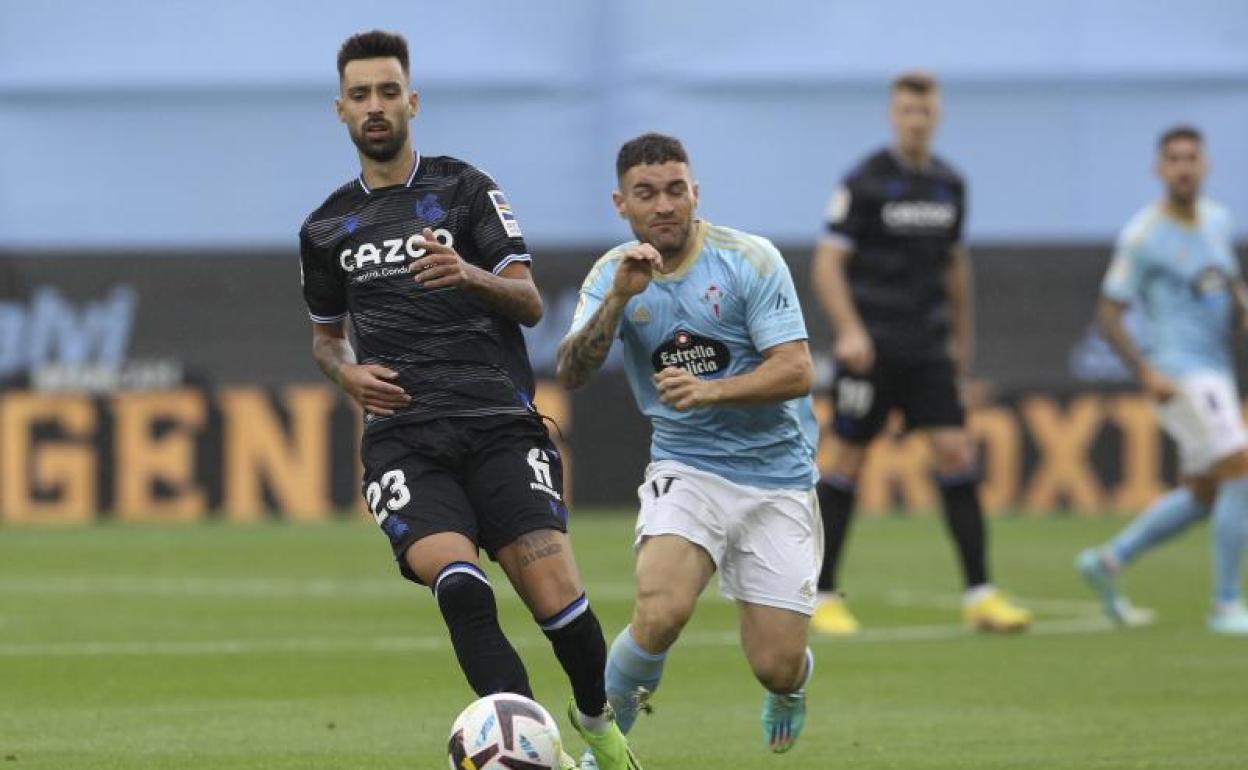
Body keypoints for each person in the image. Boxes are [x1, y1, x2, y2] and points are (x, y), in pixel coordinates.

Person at [297, 30, 641, 769]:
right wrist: (345, 374)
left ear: (412, 101)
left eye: (389, 91)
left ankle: (598, 724)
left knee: (558, 601)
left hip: (498, 425)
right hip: (403, 437)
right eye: (361, 94)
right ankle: (532, 753)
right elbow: (325, 340)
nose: (376, 105)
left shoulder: (465, 189)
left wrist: (468, 274)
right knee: (460, 588)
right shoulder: (324, 227)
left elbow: (528, 302)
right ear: (341, 110)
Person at [556, 133, 820, 764]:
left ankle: (791, 685)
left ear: (695, 193)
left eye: (676, 190)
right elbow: (571, 371)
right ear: (622, 204)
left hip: (776, 476)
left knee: (775, 664)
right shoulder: (613, 273)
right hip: (687, 467)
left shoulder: (748, 260)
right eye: (647, 193)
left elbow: (797, 370)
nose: (664, 205)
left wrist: (711, 390)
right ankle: (602, 752)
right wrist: (619, 299)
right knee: (660, 611)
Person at [808, 71, 1032, 635]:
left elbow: (955, 269)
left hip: (929, 346)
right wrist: (850, 331)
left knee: (956, 453)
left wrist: (961, 350)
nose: (916, 120)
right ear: (893, 115)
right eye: (907, 110)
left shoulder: (949, 185)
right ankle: (823, 594)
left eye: (925, 111)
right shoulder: (863, 181)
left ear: (938, 116)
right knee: (848, 459)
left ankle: (981, 595)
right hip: (872, 347)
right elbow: (828, 264)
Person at [1077, 125, 1248, 635]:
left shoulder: (1217, 220)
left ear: (1205, 165)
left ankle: (1109, 560)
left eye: (1191, 158)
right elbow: (1109, 312)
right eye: (1173, 159)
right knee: (1241, 467)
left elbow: (1226, 282)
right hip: (1179, 371)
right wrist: (1145, 370)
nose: (1183, 167)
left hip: (1216, 369)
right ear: (1159, 169)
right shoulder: (1144, 235)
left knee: (1205, 494)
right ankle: (1225, 604)